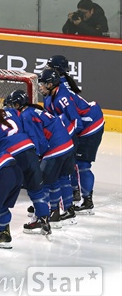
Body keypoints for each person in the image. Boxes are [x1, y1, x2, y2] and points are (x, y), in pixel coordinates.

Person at [0, 95, 50, 236]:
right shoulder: (11, 112)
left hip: (12, 158)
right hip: (30, 150)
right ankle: (44, 220)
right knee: (36, 191)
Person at [5, 86, 75, 231]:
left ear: (18, 104)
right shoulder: (33, 110)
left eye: (12, 105)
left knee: (41, 184)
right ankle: (54, 213)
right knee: (54, 180)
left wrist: (37, 156)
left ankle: (42, 217)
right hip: (67, 145)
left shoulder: (26, 115)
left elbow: (39, 140)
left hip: (55, 149)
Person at [39, 69, 104, 216]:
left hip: (91, 125)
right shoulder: (50, 95)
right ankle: (72, 195)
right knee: (70, 164)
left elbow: (77, 122)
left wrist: (64, 139)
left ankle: (87, 201)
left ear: (50, 84)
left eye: (42, 84)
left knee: (82, 165)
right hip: (81, 126)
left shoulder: (62, 98)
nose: (40, 87)